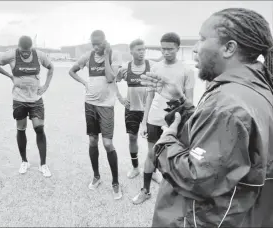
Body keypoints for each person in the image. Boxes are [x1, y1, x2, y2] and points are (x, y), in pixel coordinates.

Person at [141, 8, 273, 227]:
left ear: (229, 48)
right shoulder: (253, 90)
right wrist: (181, 103)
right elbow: (217, 140)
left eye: (202, 39)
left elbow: (196, 177)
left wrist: (165, 142)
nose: (195, 49)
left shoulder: (228, 105)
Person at [132, 33, 195, 205]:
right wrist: (144, 122)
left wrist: (178, 93)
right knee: (151, 154)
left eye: (170, 49)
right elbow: (149, 97)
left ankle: (175, 195)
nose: (166, 52)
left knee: (175, 156)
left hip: (175, 121)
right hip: (154, 118)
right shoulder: (155, 68)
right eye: (163, 49)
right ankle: (145, 191)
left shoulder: (187, 70)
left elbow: (189, 102)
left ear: (178, 48)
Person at [68, 30, 123, 200]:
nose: (96, 47)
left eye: (99, 43)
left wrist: (106, 56)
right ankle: (96, 176)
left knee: (107, 144)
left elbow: (109, 78)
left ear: (105, 41)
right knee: (92, 140)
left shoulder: (115, 54)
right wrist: (85, 82)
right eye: (93, 44)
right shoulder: (88, 56)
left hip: (106, 105)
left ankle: (115, 182)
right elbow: (72, 71)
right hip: (90, 103)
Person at [0, 36, 54, 177]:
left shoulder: (39, 55)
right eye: (22, 51)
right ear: (18, 47)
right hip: (19, 99)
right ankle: (24, 161)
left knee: (39, 129)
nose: (25, 54)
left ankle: (43, 164)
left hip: (35, 99)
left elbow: (51, 67)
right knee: (21, 129)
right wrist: (10, 76)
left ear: (31, 48)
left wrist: (46, 86)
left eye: (27, 51)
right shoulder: (11, 54)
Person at [115, 39, 158, 179]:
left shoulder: (151, 65)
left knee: (152, 141)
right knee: (132, 138)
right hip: (132, 109)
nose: (142, 52)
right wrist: (121, 99)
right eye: (139, 50)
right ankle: (135, 168)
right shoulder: (125, 69)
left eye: (143, 49)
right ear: (131, 52)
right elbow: (112, 82)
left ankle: (153, 171)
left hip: (149, 110)